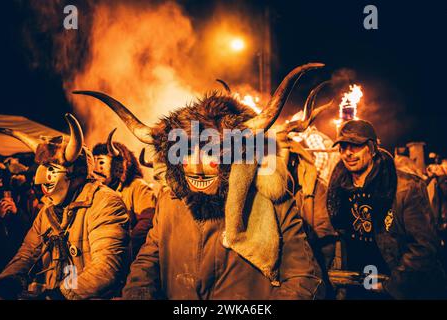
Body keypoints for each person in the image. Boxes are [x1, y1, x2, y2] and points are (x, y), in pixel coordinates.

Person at [75, 63, 327, 300]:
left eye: (210, 153)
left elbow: (304, 278)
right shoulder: (170, 201)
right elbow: (148, 263)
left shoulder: (271, 199)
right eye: (185, 153)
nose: (196, 167)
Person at [0, 114, 130, 300]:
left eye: (52, 170)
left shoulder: (105, 202)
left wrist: (59, 294)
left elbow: (107, 267)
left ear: (75, 174)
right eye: (44, 169)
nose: (42, 179)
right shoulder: (48, 210)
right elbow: (27, 253)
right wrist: (6, 283)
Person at [327, 119, 447, 299]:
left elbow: (424, 247)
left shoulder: (406, 187)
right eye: (343, 146)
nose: (348, 153)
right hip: (359, 284)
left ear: (372, 148)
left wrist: (390, 286)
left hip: (398, 288)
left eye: (355, 146)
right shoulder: (339, 190)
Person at [93, 129, 156, 258]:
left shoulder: (137, 187)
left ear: (118, 166)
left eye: (101, 162)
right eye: (94, 161)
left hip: (129, 257)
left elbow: (148, 220)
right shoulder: (98, 191)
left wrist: (127, 246)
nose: (96, 168)